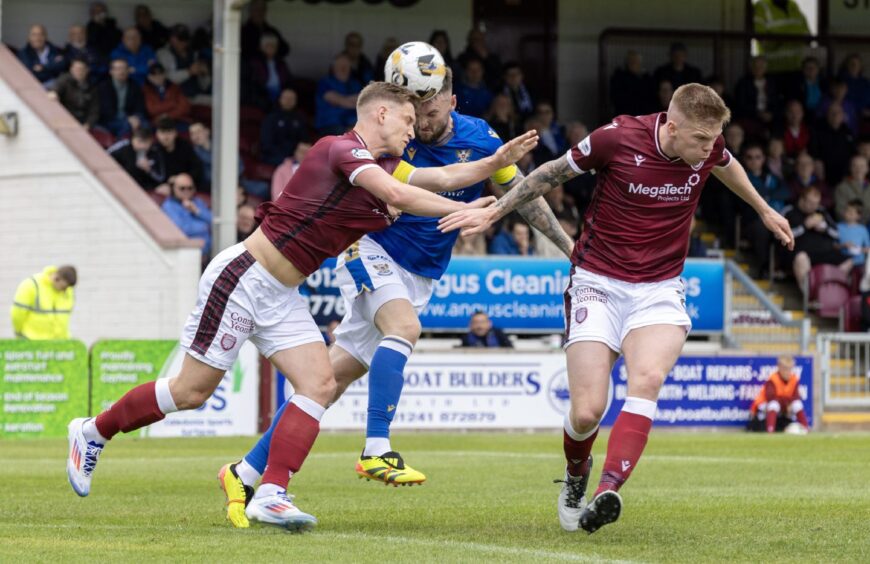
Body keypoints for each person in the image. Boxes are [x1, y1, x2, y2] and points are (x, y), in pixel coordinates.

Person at [65, 81, 537, 532]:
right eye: (408, 120)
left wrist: (492, 168)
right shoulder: (341, 148)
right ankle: (94, 431)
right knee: (191, 393)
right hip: (243, 279)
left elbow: (442, 176)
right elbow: (400, 195)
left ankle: (272, 492)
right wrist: (471, 209)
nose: (413, 131)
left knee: (320, 383)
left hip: (282, 295)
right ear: (381, 113)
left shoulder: (383, 166)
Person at [216, 70, 568, 528]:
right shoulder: (391, 148)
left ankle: (244, 473)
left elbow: (514, 192)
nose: (420, 119)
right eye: (414, 109)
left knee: (327, 381)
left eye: (431, 108)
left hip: (420, 275)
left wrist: (570, 249)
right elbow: (428, 183)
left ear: (452, 102)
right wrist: (474, 203)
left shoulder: (481, 138)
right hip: (372, 249)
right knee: (404, 328)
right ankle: (377, 447)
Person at [438, 83, 794, 534]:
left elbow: (727, 164)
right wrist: (493, 213)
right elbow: (549, 172)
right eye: (701, 141)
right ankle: (576, 477)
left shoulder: (709, 147)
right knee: (587, 411)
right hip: (597, 282)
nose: (710, 150)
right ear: (672, 124)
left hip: (660, 287)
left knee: (646, 379)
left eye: (713, 141)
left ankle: (609, 489)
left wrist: (763, 209)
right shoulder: (617, 138)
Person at [783, 185, 852, 294]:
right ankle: (811, 296)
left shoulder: (821, 211)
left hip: (824, 252)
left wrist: (825, 228)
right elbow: (781, 236)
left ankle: (828, 289)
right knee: (801, 258)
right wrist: (804, 226)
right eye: (811, 203)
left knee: (848, 261)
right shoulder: (789, 211)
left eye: (816, 203)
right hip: (801, 253)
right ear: (802, 199)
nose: (814, 206)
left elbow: (837, 234)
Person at [11, 265, 77, 339]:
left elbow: (64, 318)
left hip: (59, 344)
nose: (64, 291)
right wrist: (20, 334)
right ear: (56, 279)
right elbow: (18, 313)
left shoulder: (68, 291)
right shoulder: (31, 285)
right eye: (63, 287)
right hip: (33, 342)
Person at [748, 355, 809, 432]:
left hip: (783, 407)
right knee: (774, 404)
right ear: (779, 368)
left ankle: (806, 428)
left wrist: (788, 405)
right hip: (764, 407)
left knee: (797, 404)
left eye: (789, 369)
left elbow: (796, 396)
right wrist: (786, 404)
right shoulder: (773, 379)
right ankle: (770, 430)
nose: (787, 372)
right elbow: (771, 397)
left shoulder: (794, 379)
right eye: (785, 369)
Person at [160, 173, 212, 257]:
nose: (186, 191)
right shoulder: (169, 206)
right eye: (182, 188)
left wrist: (197, 211)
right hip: (187, 252)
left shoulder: (197, 202)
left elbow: (213, 220)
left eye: (190, 188)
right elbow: (181, 229)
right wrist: (204, 227)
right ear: (173, 189)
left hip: (209, 250)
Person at [97, 58, 146, 137]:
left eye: (124, 68)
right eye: (118, 69)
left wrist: (136, 117)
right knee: (126, 127)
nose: (121, 71)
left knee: (145, 126)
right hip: (111, 120)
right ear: (111, 71)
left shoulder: (134, 86)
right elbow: (106, 111)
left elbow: (140, 107)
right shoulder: (104, 87)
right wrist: (127, 119)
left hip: (132, 118)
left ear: (128, 70)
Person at [108, 126, 166, 193]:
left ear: (151, 142)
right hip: (119, 182)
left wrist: (149, 170)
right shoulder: (124, 146)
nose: (142, 146)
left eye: (146, 142)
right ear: (132, 139)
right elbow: (104, 157)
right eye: (139, 142)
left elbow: (161, 178)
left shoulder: (155, 153)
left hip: (142, 190)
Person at [314, 54, 362, 136]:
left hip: (354, 123)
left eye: (346, 65)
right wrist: (352, 100)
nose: (343, 68)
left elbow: (364, 102)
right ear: (333, 68)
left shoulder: (355, 84)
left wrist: (342, 99)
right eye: (340, 65)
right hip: (330, 125)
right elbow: (341, 101)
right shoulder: (325, 82)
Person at [260, 88, 306, 166]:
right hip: (274, 156)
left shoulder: (299, 118)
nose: (289, 100)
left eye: (292, 98)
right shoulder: (271, 118)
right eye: (286, 98)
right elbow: (267, 143)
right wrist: (284, 158)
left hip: (295, 157)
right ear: (280, 99)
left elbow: (304, 141)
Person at [52, 58, 99, 128]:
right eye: (76, 69)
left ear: (87, 70)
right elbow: (56, 89)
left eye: (81, 69)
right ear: (71, 69)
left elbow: (94, 111)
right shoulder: (65, 80)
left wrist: (88, 124)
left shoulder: (92, 87)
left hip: (83, 121)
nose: (79, 72)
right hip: (66, 119)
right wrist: (54, 93)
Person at [17, 24, 68, 89]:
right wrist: (52, 66)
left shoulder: (56, 50)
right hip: (32, 88)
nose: (37, 38)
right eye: (34, 35)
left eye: (41, 34)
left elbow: (62, 66)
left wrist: (44, 67)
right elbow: (30, 73)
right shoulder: (23, 53)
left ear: (46, 37)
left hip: (54, 88)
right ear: (29, 37)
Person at [834, 155, 870, 221]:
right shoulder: (841, 188)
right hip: (850, 226)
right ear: (850, 168)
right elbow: (839, 211)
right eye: (855, 166)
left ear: (867, 168)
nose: (858, 169)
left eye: (862, 166)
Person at [837, 200, 870, 268]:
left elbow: (868, 248)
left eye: (851, 213)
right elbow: (833, 245)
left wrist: (859, 249)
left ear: (858, 216)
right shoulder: (838, 227)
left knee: (845, 266)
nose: (847, 214)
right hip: (840, 256)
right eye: (846, 210)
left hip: (857, 258)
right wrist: (843, 245)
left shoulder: (862, 229)